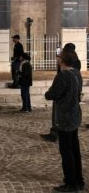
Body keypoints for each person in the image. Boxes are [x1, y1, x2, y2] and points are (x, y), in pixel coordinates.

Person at [45, 50, 84, 192]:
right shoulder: (77, 73)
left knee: (66, 151)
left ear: (63, 60)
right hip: (74, 116)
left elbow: (51, 94)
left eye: (59, 57)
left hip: (65, 119)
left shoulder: (63, 76)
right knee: (75, 150)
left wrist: (49, 92)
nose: (57, 59)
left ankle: (71, 183)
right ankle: (79, 180)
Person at [41, 43, 81, 142]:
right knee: (73, 142)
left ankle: (54, 133)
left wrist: (54, 88)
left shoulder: (64, 74)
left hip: (64, 105)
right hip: (73, 100)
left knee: (66, 147)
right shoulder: (76, 67)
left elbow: (52, 94)